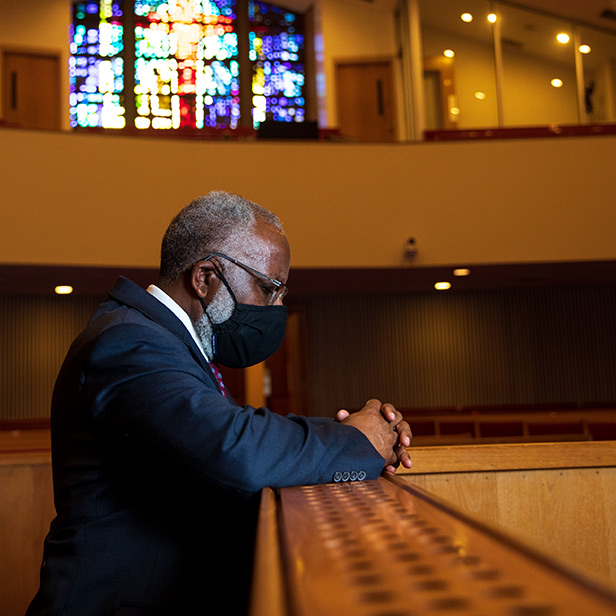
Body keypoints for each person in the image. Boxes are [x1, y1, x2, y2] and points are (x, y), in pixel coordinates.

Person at [27, 191, 412, 616]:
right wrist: (356, 439)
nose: (277, 306)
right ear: (205, 277)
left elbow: (221, 432)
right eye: (270, 288)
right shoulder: (128, 342)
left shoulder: (165, 342)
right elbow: (234, 451)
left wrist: (349, 434)